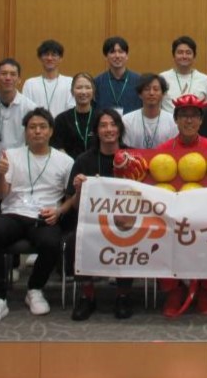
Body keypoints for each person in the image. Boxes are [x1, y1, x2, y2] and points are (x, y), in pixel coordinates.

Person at [0, 108, 75, 327]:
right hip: (13, 212)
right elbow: (1, 194)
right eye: (32, 127)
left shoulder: (65, 161)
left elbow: (71, 197)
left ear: (51, 131)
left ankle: (35, 289)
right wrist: (0, 174)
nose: (37, 131)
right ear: (25, 131)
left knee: (51, 243)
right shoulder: (11, 156)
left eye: (42, 127)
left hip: (44, 215)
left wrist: (59, 211)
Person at [155, 94, 207, 317]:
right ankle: (174, 291)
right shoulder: (163, 150)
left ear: (201, 121)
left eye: (194, 116)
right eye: (184, 116)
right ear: (175, 120)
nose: (189, 120)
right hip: (172, 219)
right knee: (159, 236)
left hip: (205, 217)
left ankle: (205, 291)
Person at [69, 109, 136, 320]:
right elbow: (75, 206)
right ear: (96, 131)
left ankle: (123, 295)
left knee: (130, 235)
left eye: (113, 124)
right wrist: (79, 189)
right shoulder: (84, 160)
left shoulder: (134, 157)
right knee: (75, 239)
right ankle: (87, 295)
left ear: (120, 129)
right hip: (93, 221)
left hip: (127, 221)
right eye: (103, 125)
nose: (109, 129)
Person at [159, 35, 207, 113]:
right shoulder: (162, 78)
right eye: (180, 52)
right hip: (168, 121)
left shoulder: (205, 79)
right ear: (173, 55)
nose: (184, 56)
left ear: (194, 56)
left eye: (188, 53)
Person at [123, 73, 178, 149]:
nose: (151, 93)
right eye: (147, 89)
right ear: (140, 94)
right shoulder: (126, 120)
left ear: (163, 94)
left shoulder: (173, 121)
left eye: (156, 89)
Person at [21, 39, 75, 117]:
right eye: (46, 54)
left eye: (54, 55)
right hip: (37, 124)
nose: (49, 58)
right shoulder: (30, 84)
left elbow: (72, 109)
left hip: (63, 124)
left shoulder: (70, 82)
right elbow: (26, 110)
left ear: (60, 58)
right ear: (40, 58)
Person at [52, 72, 98, 160]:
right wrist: (70, 163)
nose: (83, 92)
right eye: (79, 88)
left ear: (93, 91)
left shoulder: (101, 118)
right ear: (72, 91)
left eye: (88, 87)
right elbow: (57, 147)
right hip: (68, 165)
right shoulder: (61, 119)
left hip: (96, 166)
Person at [94, 36, 141, 114]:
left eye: (121, 52)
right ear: (106, 57)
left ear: (127, 56)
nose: (117, 56)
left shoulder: (139, 81)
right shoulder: (97, 82)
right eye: (112, 52)